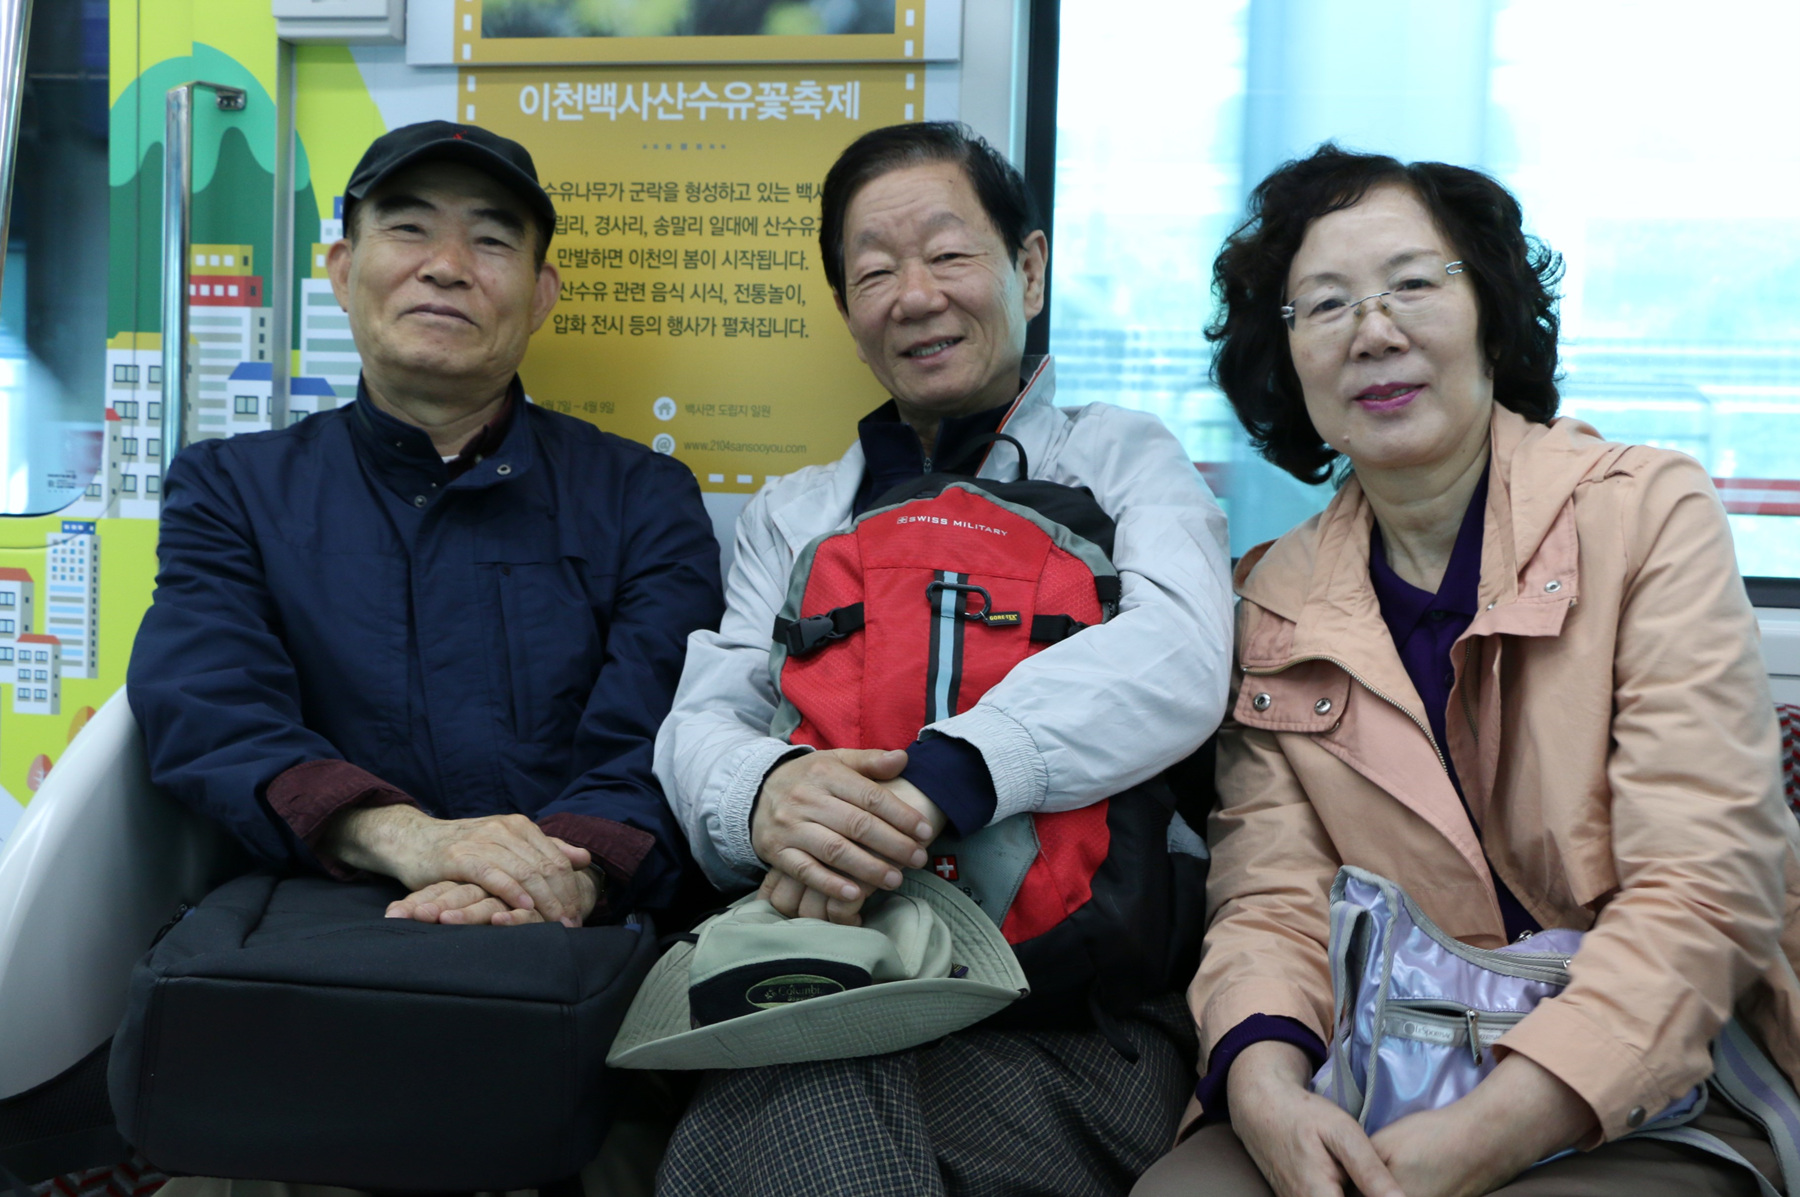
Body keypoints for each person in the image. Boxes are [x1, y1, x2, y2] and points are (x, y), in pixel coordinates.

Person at [1133, 144, 1798, 1197]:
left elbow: (1702, 884)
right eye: (1325, 304)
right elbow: (1271, 900)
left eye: (1412, 284)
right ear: (1287, 357)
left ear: (1490, 313)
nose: (1374, 332)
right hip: (1382, 1065)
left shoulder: (1643, 513)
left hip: (1656, 1078)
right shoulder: (1274, 599)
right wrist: (1263, 1087)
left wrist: (1483, 1138)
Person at [650, 121, 1235, 1197]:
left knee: (781, 1119)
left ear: (1029, 268)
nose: (915, 296)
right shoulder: (797, 512)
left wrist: (947, 775)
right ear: (846, 312)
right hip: (836, 970)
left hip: (1072, 1020)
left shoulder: (1124, 462)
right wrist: (764, 794)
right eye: (875, 272)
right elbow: (706, 714)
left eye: (950, 254)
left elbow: (1183, 650)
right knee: (806, 1089)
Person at [129, 119, 723, 935]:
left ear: (541, 294)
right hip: (315, 929)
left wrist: (561, 878)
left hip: (569, 928)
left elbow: (661, 734)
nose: (446, 266)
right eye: (408, 228)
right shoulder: (231, 488)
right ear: (343, 270)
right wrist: (403, 835)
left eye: (491, 240)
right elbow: (210, 706)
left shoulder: (643, 497)